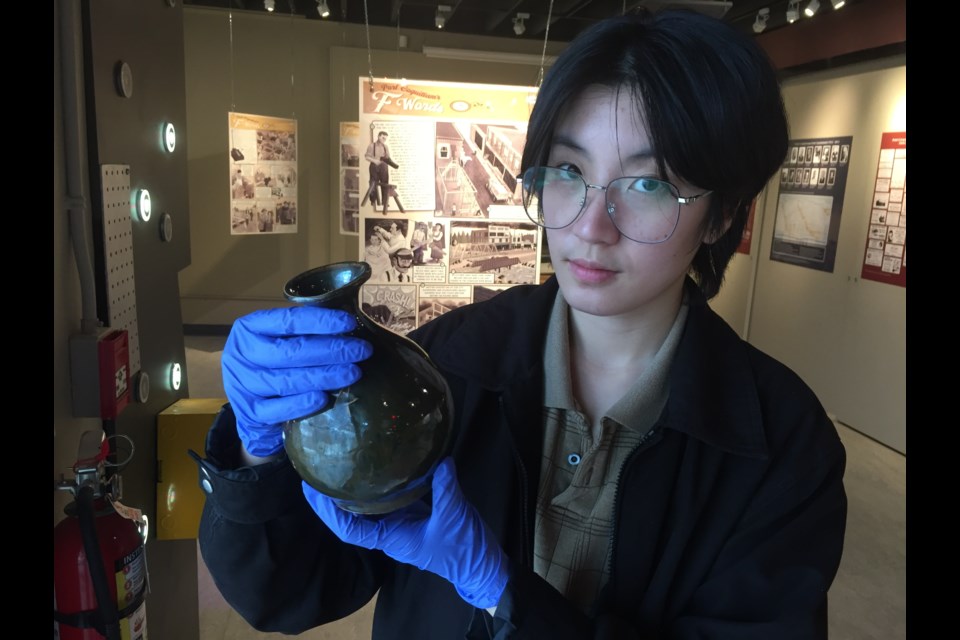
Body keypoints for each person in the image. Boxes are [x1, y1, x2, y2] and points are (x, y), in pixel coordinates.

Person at [195, 10, 847, 639]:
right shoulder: (445, 366)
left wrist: (501, 591)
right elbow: (286, 594)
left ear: (722, 215)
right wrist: (260, 453)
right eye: (569, 172)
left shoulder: (779, 443)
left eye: (647, 185)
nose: (590, 227)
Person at [364, 131, 394, 213]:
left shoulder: (386, 147)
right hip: (374, 166)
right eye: (383, 137)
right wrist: (375, 161)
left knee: (385, 183)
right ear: (378, 136)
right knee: (373, 183)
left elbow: (388, 157)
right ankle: (373, 201)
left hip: (384, 167)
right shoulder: (371, 146)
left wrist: (391, 163)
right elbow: (366, 156)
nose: (384, 139)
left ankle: (385, 202)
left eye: (385, 138)